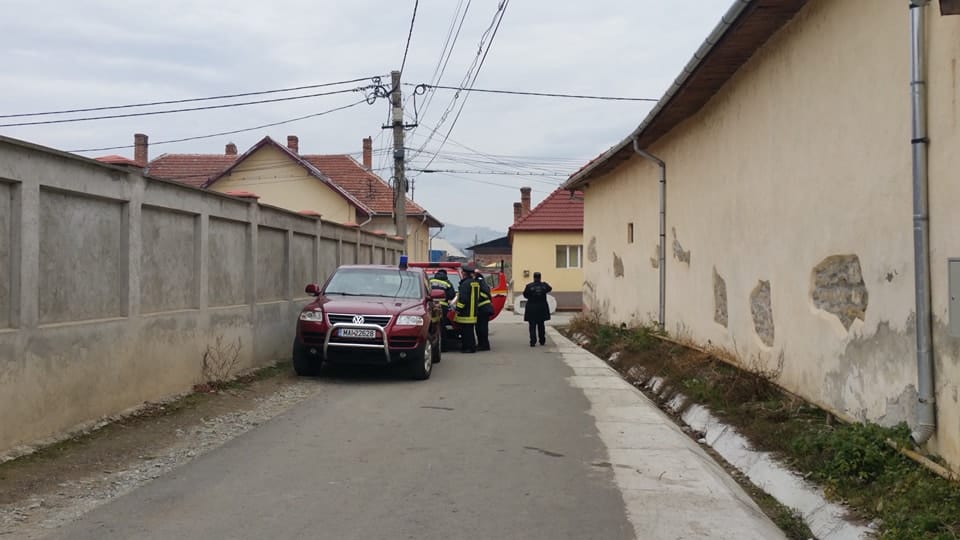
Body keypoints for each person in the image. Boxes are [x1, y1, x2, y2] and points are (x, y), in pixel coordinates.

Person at [454, 264, 485, 353]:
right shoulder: (474, 283)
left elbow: (463, 299)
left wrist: (458, 309)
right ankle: (471, 347)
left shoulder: (465, 284)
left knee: (466, 332)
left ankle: (468, 348)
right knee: (470, 331)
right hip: (473, 311)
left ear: (464, 273)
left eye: (462, 272)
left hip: (466, 312)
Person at [523, 271, 552, 347]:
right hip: (541, 308)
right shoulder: (544, 285)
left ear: (534, 277)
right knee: (541, 324)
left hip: (531, 307)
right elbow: (550, 288)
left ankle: (533, 341)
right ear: (540, 277)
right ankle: (542, 341)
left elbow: (525, 295)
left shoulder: (529, 286)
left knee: (532, 325)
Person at [474, 273, 493, 351]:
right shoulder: (482, 283)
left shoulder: (481, 283)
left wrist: (475, 296)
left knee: (482, 328)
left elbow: (485, 295)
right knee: (479, 328)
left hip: (483, 309)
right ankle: (481, 344)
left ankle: (484, 345)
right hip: (482, 309)